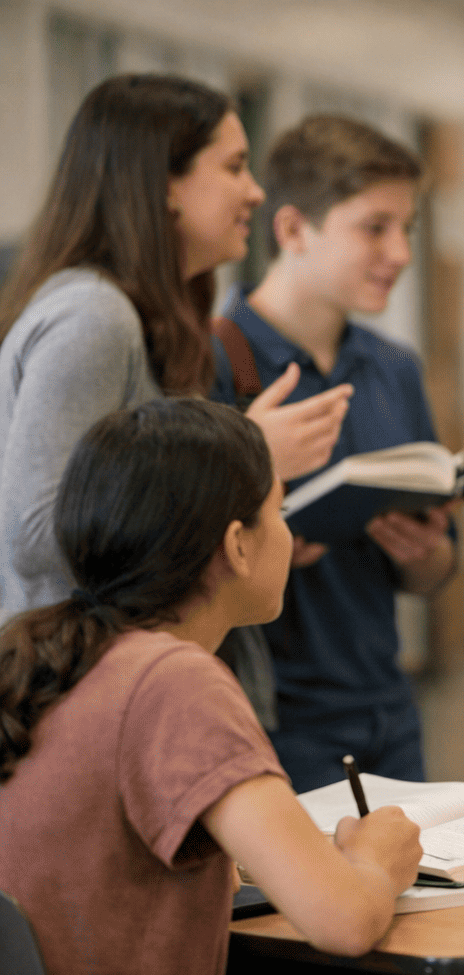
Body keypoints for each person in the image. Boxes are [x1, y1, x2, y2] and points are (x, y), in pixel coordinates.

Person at [0, 398, 422, 975]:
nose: (287, 532)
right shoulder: (174, 682)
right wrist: (374, 860)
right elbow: (343, 921)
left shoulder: (53, 655)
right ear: (237, 545)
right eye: (279, 511)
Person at [0, 73, 351, 627]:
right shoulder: (94, 317)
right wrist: (243, 460)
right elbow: (37, 538)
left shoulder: (148, 315)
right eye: (234, 167)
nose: (256, 192)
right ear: (165, 184)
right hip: (80, 667)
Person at [211, 114, 455, 794]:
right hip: (269, 720)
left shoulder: (394, 368)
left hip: (390, 709)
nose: (400, 253)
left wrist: (425, 552)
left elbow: (436, 572)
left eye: (406, 228)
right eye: (375, 227)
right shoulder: (210, 362)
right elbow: (169, 561)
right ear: (293, 230)